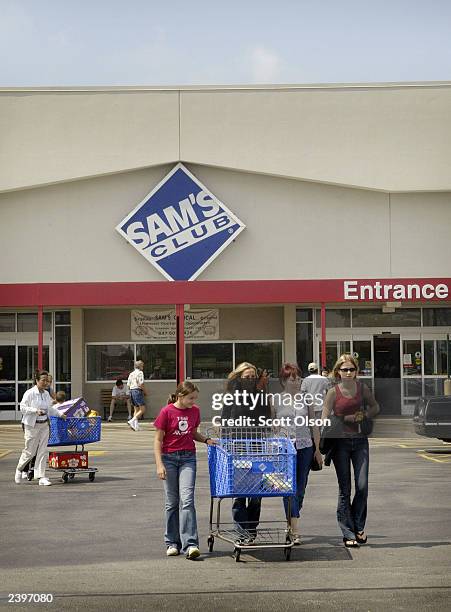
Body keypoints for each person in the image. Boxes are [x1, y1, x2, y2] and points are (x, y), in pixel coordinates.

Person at [321, 354, 379, 548]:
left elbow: (375, 407)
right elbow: (324, 417)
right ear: (338, 371)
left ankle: (358, 526)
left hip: (360, 441)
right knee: (345, 489)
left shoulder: (362, 389)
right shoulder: (332, 392)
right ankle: (348, 532)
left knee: (362, 486)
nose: (348, 372)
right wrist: (337, 421)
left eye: (351, 369)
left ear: (356, 371)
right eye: (344, 369)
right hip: (340, 444)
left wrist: (362, 414)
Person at [154, 381, 215, 559]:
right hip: (169, 458)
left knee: (187, 500)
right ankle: (172, 543)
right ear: (180, 396)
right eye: (191, 398)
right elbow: (158, 440)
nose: (193, 401)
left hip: (188, 458)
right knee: (172, 502)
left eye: (195, 398)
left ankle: (191, 544)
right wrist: (159, 464)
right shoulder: (166, 412)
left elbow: (192, 433)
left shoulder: (194, 411)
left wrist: (206, 440)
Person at [221, 362, 272, 540]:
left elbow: (267, 420)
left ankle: (251, 528)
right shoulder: (231, 397)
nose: (250, 380)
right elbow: (225, 422)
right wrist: (227, 444)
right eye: (246, 377)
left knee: (256, 493)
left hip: (257, 447)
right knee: (241, 492)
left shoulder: (261, 396)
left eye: (253, 377)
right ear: (239, 378)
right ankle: (242, 531)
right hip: (238, 448)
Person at [275, 363, 322, 544]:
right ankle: (294, 529)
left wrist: (317, 449)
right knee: (288, 487)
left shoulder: (307, 399)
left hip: (305, 446)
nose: (295, 381)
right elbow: (272, 424)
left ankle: (291, 520)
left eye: (297, 378)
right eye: (291, 378)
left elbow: (314, 425)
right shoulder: (276, 399)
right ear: (284, 380)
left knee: (300, 488)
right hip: (285, 448)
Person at [15, 369, 66, 486]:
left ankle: (41, 477)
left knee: (42, 451)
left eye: (47, 381)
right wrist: (35, 411)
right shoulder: (30, 393)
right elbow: (22, 407)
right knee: (30, 451)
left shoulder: (46, 394)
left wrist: (60, 414)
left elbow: (50, 409)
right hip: (32, 425)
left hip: (44, 425)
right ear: (37, 380)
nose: (45, 383)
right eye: (43, 380)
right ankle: (19, 469)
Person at [127, 360, 146, 431]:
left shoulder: (131, 373)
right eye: (142, 365)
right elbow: (141, 384)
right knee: (143, 409)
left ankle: (135, 426)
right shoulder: (140, 373)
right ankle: (132, 420)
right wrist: (145, 391)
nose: (143, 367)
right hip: (137, 391)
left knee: (136, 409)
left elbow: (128, 384)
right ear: (140, 366)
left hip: (132, 391)